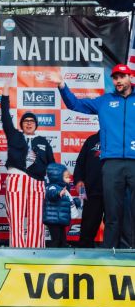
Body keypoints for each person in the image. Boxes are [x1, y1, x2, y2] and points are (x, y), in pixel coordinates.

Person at [50, 65, 135, 248]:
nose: (118, 81)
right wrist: (62, 85)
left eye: (122, 77)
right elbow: (75, 104)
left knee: (130, 212)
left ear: (130, 77)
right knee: (112, 213)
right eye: (115, 78)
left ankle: (130, 252)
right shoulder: (104, 101)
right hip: (111, 163)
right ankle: (111, 253)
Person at [1, 81, 55, 248]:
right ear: (21, 124)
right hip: (16, 178)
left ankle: (36, 252)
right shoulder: (14, 135)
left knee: (37, 219)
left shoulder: (43, 141)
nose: (29, 123)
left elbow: (52, 165)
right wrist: (5, 93)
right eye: (25, 121)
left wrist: (59, 184)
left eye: (32, 121)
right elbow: (5, 116)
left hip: (37, 182)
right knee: (15, 218)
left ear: (36, 124)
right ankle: (17, 251)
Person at [73, 132, 103, 247]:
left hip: (114, 190)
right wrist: (78, 180)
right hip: (92, 190)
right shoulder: (91, 140)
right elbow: (80, 162)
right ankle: (84, 251)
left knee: (115, 223)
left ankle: (117, 251)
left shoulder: (118, 138)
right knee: (88, 224)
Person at [43, 163, 81, 247]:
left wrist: (75, 202)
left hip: (60, 220)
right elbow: (51, 194)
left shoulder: (64, 189)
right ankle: (52, 253)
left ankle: (63, 247)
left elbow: (66, 203)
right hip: (53, 219)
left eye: (68, 177)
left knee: (62, 240)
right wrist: (58, 193)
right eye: (66, 177)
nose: (69, 179)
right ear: (58, 177)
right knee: (56, 240)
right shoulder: (53, 187)